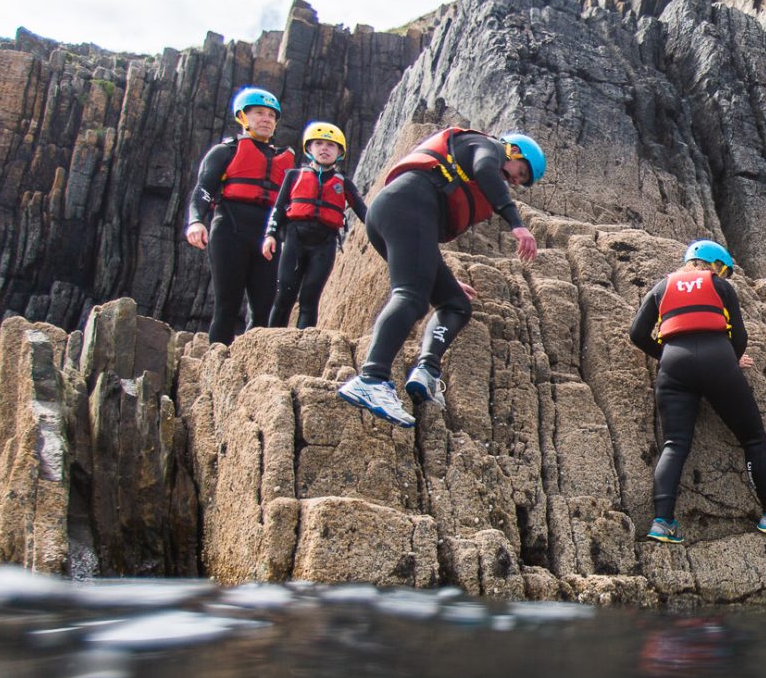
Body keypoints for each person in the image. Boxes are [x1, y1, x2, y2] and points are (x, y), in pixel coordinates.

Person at [336, 127, 542, 428]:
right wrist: (517, 223)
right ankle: (372, 379)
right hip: (406, 206)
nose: (514, 180)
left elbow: (416, 241)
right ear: (512, 151)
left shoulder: (479, 158)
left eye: (521, 181)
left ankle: (427, 372)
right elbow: (484, 168)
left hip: (397, 217)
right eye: (519, 171)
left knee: (455, 303)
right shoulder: (488, 147)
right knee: (411, 297)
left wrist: (433, 270)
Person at [627, 240, 766, 544]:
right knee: (753, 439)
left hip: (673, 366)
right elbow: (740, 334)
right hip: (718, 361)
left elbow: (636, 333)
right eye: (722, 269)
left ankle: (663, 523)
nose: (722, 274)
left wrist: (668, 356)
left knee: (674, 444)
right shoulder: (720, 287)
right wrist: (730, 360)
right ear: (713, 264)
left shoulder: (661, 287)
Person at [185, 86, 293, 345]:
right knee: (227, 305)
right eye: (259, 113)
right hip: (229, 232)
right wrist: (196, 221)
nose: (266, 119)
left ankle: (252, 368)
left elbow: (292, 206)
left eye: (271, 115)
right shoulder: (225, 151)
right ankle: (216, 365)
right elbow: (203, 189)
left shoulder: (286, 161)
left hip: (268, 238)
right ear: (243, 118)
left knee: (264, 309)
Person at [262, 121, 367, 329]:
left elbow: (364, 212)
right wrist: (270, 235)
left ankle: (304, 346)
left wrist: (384, 229)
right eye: (319, 143)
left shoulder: (343, 183)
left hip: (324, 242)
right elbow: (279, 207)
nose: (324, 149)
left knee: (310, 298)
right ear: (309, 148)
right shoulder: (293, 176)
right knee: (285, 294)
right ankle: (271, 340)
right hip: (294, 238)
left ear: (339, 152)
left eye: (331, 145)